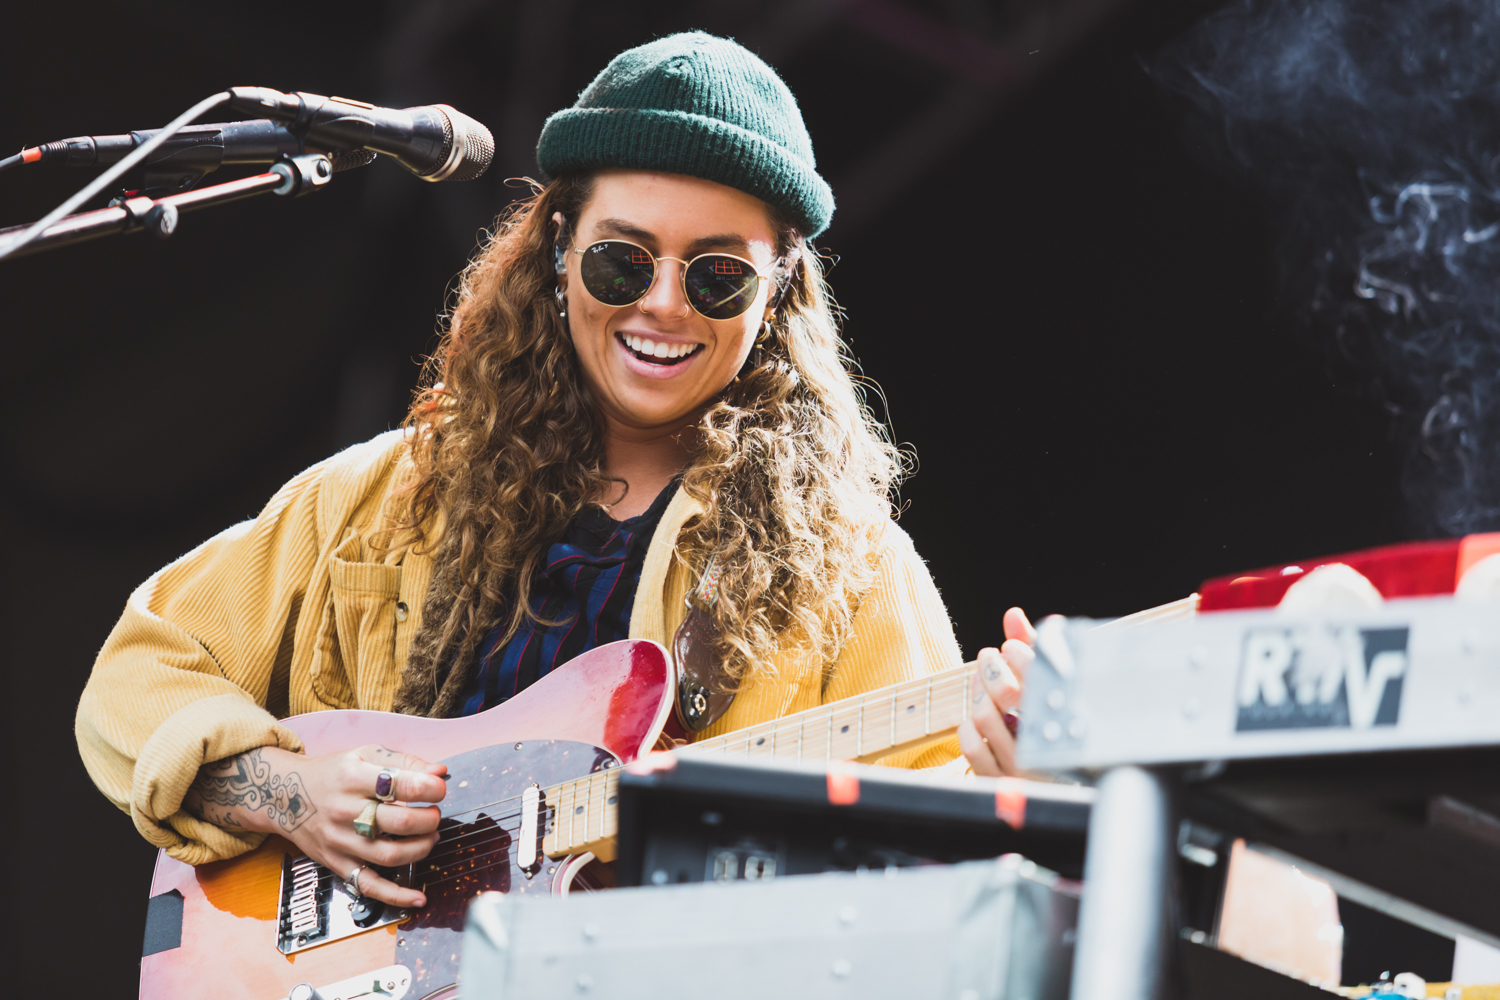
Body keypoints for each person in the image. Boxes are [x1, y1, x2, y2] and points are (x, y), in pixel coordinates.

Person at [76, 32, 1033, 912]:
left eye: (716, 277)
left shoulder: (850, 571)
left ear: (777, 292)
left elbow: (920, 882)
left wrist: (1003, 784)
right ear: (559, 252)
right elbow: (138, 672)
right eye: (622, 262)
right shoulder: (379, 497)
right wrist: (287, 792)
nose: (664, 306)